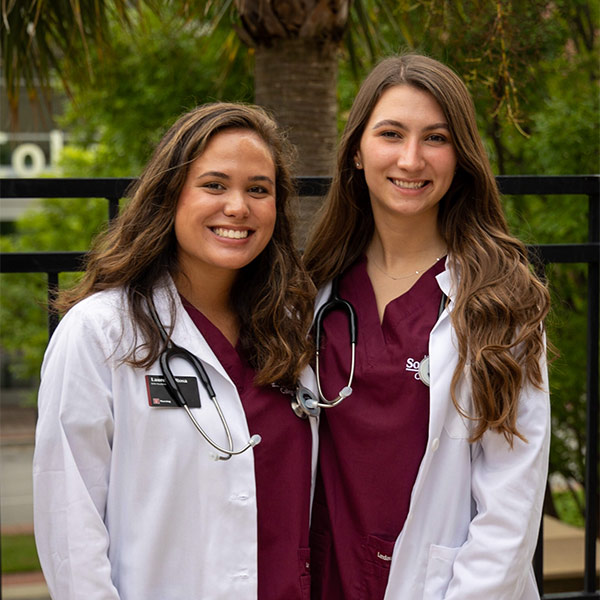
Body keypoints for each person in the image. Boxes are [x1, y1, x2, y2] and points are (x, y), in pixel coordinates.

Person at [33, 102, 318, 600]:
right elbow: (69, 521)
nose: (238, 207)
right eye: (214, 185)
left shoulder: (291, 330)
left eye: (258, 189)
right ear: (170, 196)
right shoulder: (101, 333)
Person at [303, 54, 551, 599]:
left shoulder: (500, 300)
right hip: (327, 573)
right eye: (391, 133)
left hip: (450, 586)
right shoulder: (312, 291)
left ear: (459, 156)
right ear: (356, 151)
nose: (411, 159)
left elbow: (512, 501)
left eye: (435, 138)